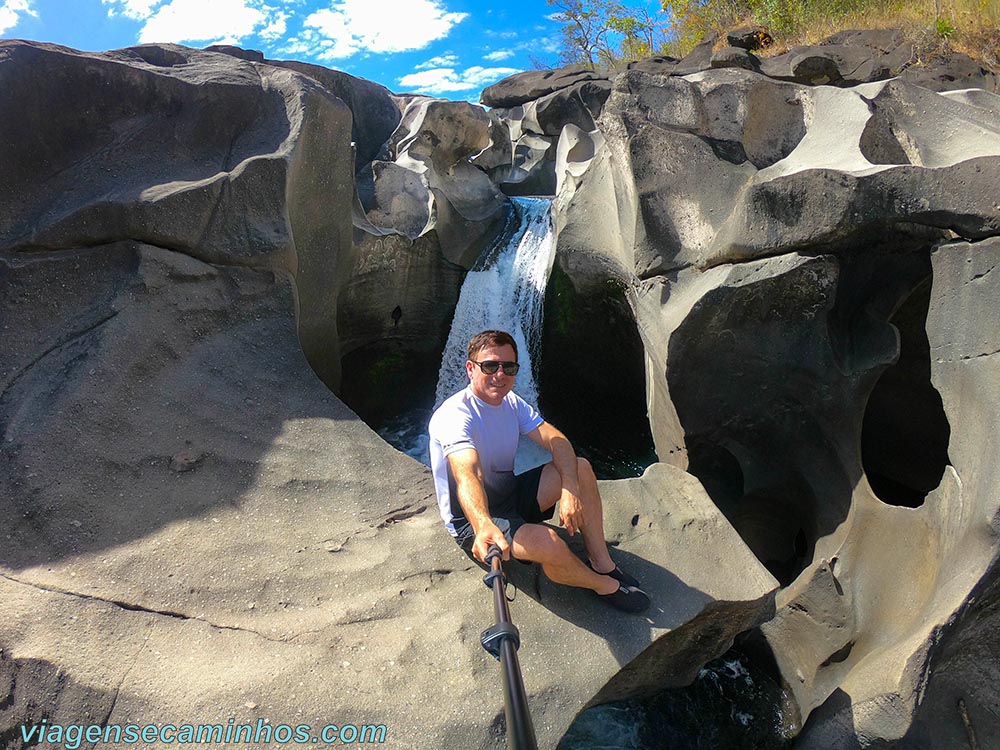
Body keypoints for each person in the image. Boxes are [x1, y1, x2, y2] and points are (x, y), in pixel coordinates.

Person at [428, 329, 650, 613]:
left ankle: (601, 562)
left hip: (510, 494)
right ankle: (601, 585)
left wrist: (569, 490)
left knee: (580, 468)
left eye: (508, 367)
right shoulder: (455, 416)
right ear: (471, 369)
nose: (500, 374)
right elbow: (466, 473)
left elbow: (557, 440)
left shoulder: (511, 402)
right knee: (552, 544)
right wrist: (483, 524)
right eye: (490, 366)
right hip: (473, 519)